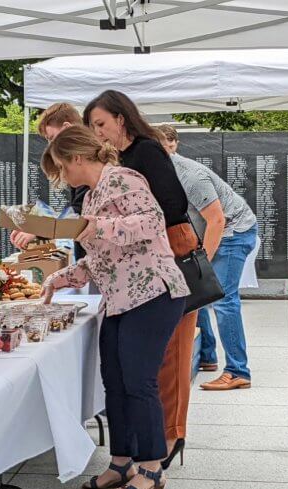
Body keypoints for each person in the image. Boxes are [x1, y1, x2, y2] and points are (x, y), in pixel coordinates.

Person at [41, 125, 189, 489]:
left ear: (77, 157)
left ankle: (152, 469)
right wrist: (60, 278)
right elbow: (99, 257)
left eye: (62, 166)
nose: (62, 176)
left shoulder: (123, 178)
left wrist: (99, 225)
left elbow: (153, 222)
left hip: (153, 291)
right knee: (115, 381)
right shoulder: (91, 197)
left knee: (139, 380)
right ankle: (121, 462)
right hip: (120, 297)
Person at [83, 90, 197, 469]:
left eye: (101, 124)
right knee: (130, 371)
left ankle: (166, 439)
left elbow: (170, 206)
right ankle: (134, 453)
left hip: (159, 267)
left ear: (121, 117)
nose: (98, 133)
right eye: (92, 128)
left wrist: (119, 229)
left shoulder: (145, 151)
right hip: (126, 275)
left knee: (162, 364)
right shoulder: (111, 162)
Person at [159, 124, 258, 391]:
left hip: (233, 232)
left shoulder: (190, 175)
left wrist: (202, 263)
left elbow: (216, 219)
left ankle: (238, 371)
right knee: (197, 293)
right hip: (211, 232)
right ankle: (207, 356)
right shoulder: (161, 174)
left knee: (223, 299)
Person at [11, 102, 89, 261]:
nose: (51, 146)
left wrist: (38, 228)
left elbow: (80, 212)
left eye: (52, 138)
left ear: (67, 128)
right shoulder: (82, 159)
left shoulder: (87, 161)